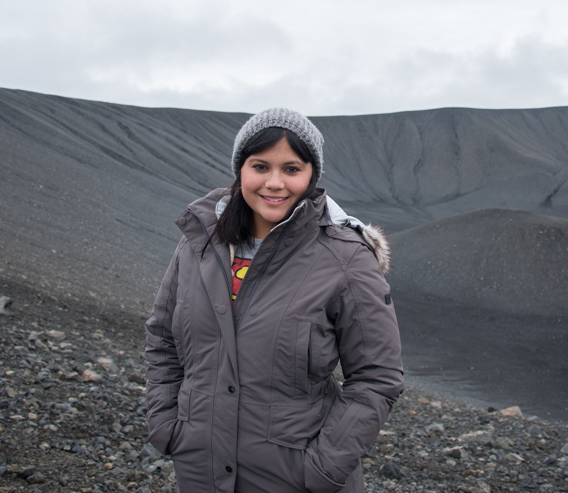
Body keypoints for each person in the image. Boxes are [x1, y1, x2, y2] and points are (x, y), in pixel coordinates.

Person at [144, 108, 403, 493]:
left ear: (312, 174)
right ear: (240, 170)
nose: (275, 183)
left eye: (292, 169)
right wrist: (166, 424)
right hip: (201, 471)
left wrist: (322, 467)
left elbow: (377, 376)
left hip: (295, 478)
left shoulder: (345, 257)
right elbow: (163, 339)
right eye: (260, 166)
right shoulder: (198, 244)